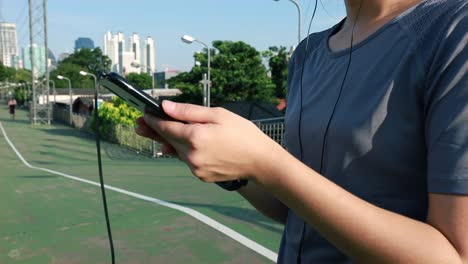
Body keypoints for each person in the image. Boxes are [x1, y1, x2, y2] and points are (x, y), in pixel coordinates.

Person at [136, 0, 468, 262]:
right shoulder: (307, 54)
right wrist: (236, 170)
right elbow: (294, 210)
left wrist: (265, 161)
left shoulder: (453, 30)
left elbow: (453, 255)